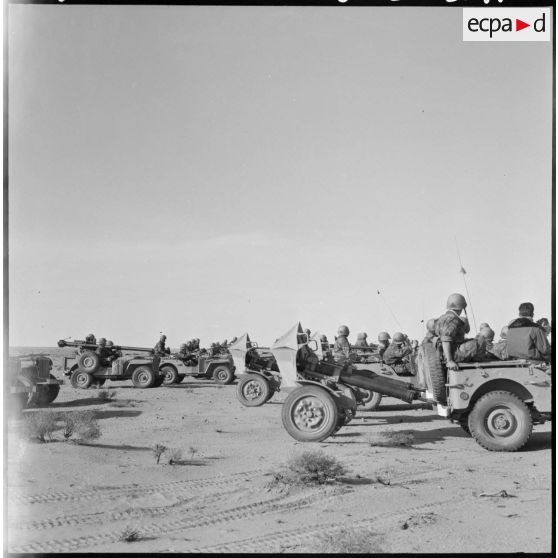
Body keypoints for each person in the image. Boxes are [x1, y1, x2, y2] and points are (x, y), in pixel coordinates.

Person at [435, 293, 489, 370]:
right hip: (454, 353)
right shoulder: (452, 319)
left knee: (471, 340)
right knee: (480, 339)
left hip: (450, 352)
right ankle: (477, 359)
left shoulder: (443, 317)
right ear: (461, 306)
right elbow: (446, 340)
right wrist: (450, 361)